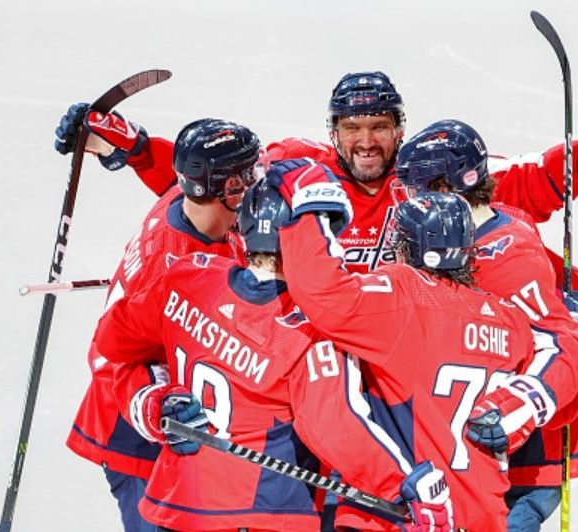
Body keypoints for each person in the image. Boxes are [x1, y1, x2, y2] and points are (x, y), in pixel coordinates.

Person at [92, 177, 454, 531]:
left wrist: (150, 400)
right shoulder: (311, 330)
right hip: (265, 512)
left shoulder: (188, 276)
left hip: (178, 508)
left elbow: (112, 344)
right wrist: (408, 486)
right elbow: (339, 431)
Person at [267, 158, 578, 531]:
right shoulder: (508, 320)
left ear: (406, 248)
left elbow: (322, 292)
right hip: (482, 513)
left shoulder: (400, 296)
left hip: (405, 513)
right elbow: (570, 350)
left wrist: (308, 206)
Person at [394, 119, 578, 531]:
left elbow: (561, 333)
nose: (409, 204)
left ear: (447, 190)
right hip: (480, 454)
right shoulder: (479, 230)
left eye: (417, 190)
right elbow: (568, 298)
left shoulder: (504, 257)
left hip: (519, 459)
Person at [54, 106, 258, 531]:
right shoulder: (167, 273)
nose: (256, 187)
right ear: (216, 188)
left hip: (192, 426)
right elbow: (108, 356)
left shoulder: (194, 203)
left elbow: (170, 175)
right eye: (244, 179)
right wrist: (156, 405)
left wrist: (135, 146)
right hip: (139, 435)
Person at [265, 71, 578, 273]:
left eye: (379, 127)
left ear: (399, 130)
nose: (366, 142)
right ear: (334, 133)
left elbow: (523, 180)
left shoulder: (430, 170)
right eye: (352, 128)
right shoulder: (305, 174)